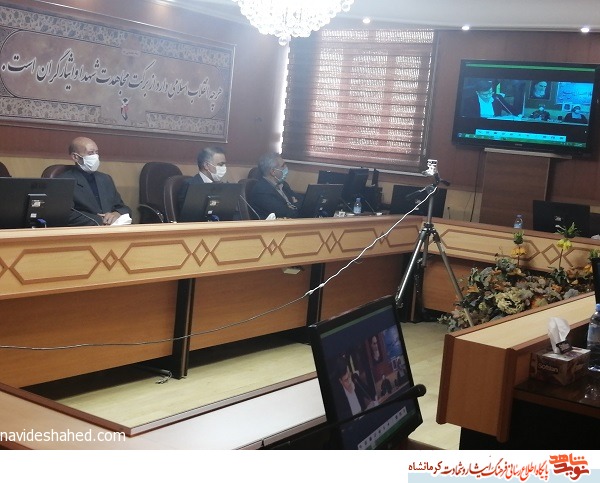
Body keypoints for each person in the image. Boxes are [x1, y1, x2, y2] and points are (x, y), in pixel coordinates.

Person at [57, 136, 131, 226]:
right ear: (75, 157)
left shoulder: (105, 179)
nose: (95, 156)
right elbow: (65, 215)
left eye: (96, 152)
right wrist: (100, 220)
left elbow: (123, 208)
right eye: (90, 153)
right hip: (85, 231)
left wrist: (117, 214)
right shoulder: (64, 181)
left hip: (112, 229)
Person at [248, 152, 302, 219]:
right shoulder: (261, 191)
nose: (286, 167)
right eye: (283, 166)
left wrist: (294, 205)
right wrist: (295, 204)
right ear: (273, 171)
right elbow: (286, 213)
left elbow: (301, 201)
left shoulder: (283, 185)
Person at [333, 356, 375, 420]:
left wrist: (373, 401)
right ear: (340, 381)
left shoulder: (355, 379)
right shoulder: (339, 397)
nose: (350, 381)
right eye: (346, 380)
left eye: (349, 376)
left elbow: (371, 393)